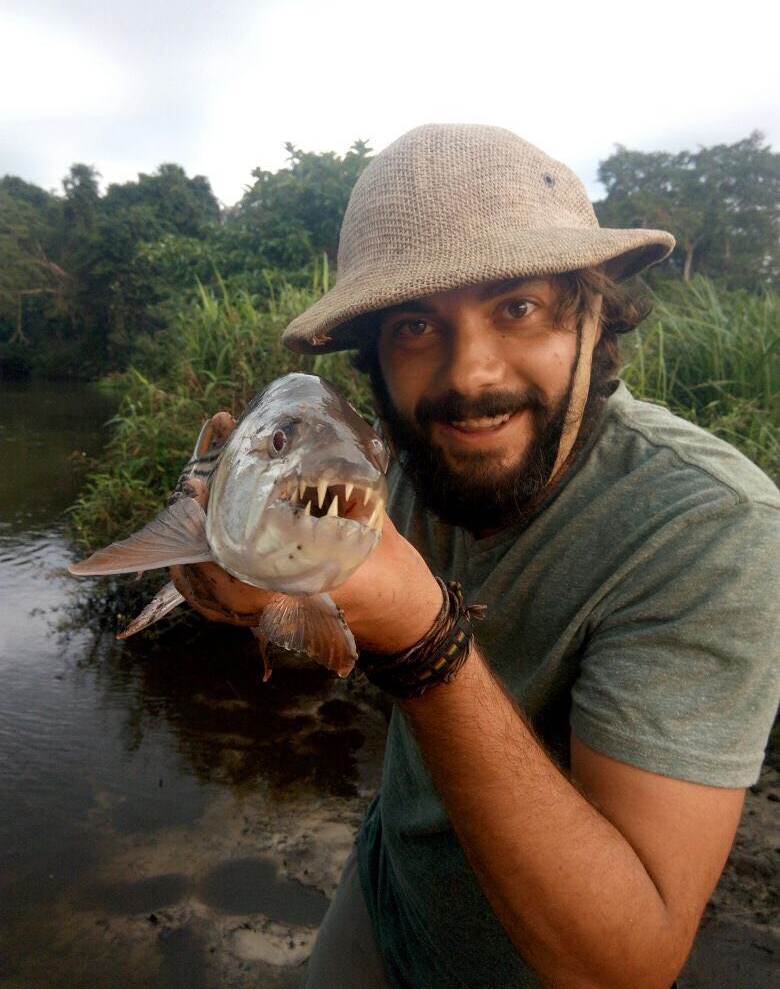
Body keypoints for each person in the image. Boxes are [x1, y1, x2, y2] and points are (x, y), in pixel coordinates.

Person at [174, 124, 780, 989]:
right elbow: (299, 591)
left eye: (518, 307)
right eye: (417, 324)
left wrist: (424, 642)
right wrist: (217, 561)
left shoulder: (711, 527)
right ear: (375, 353)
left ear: (594, 310)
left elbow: (623, 965)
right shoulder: (398, 463)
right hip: (387, 893)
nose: (471, 374)